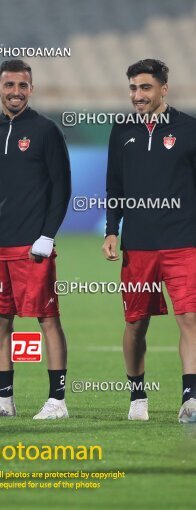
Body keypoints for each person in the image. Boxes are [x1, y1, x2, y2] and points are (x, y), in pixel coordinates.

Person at [0, 59, 71, 419]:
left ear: (31, 89)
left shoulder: (45, 130)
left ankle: (57, 401)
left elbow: (62, 189)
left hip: (33, 248)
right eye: (9, 85)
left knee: (47, 318)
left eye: (23, 86)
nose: (16, 92)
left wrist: (47, 235)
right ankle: (4, 401)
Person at [102, 58, 196, 423]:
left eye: (145, 88)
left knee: (189, 317)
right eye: (133, 88)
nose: (137, 95)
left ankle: (190, 397)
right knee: (136, 323)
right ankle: (137, 395)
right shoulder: (121, 129)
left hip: (183, 241)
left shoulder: (189, 129)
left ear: (163, 89)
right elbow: (114, 186)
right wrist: (112, 229)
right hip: (138, 244)